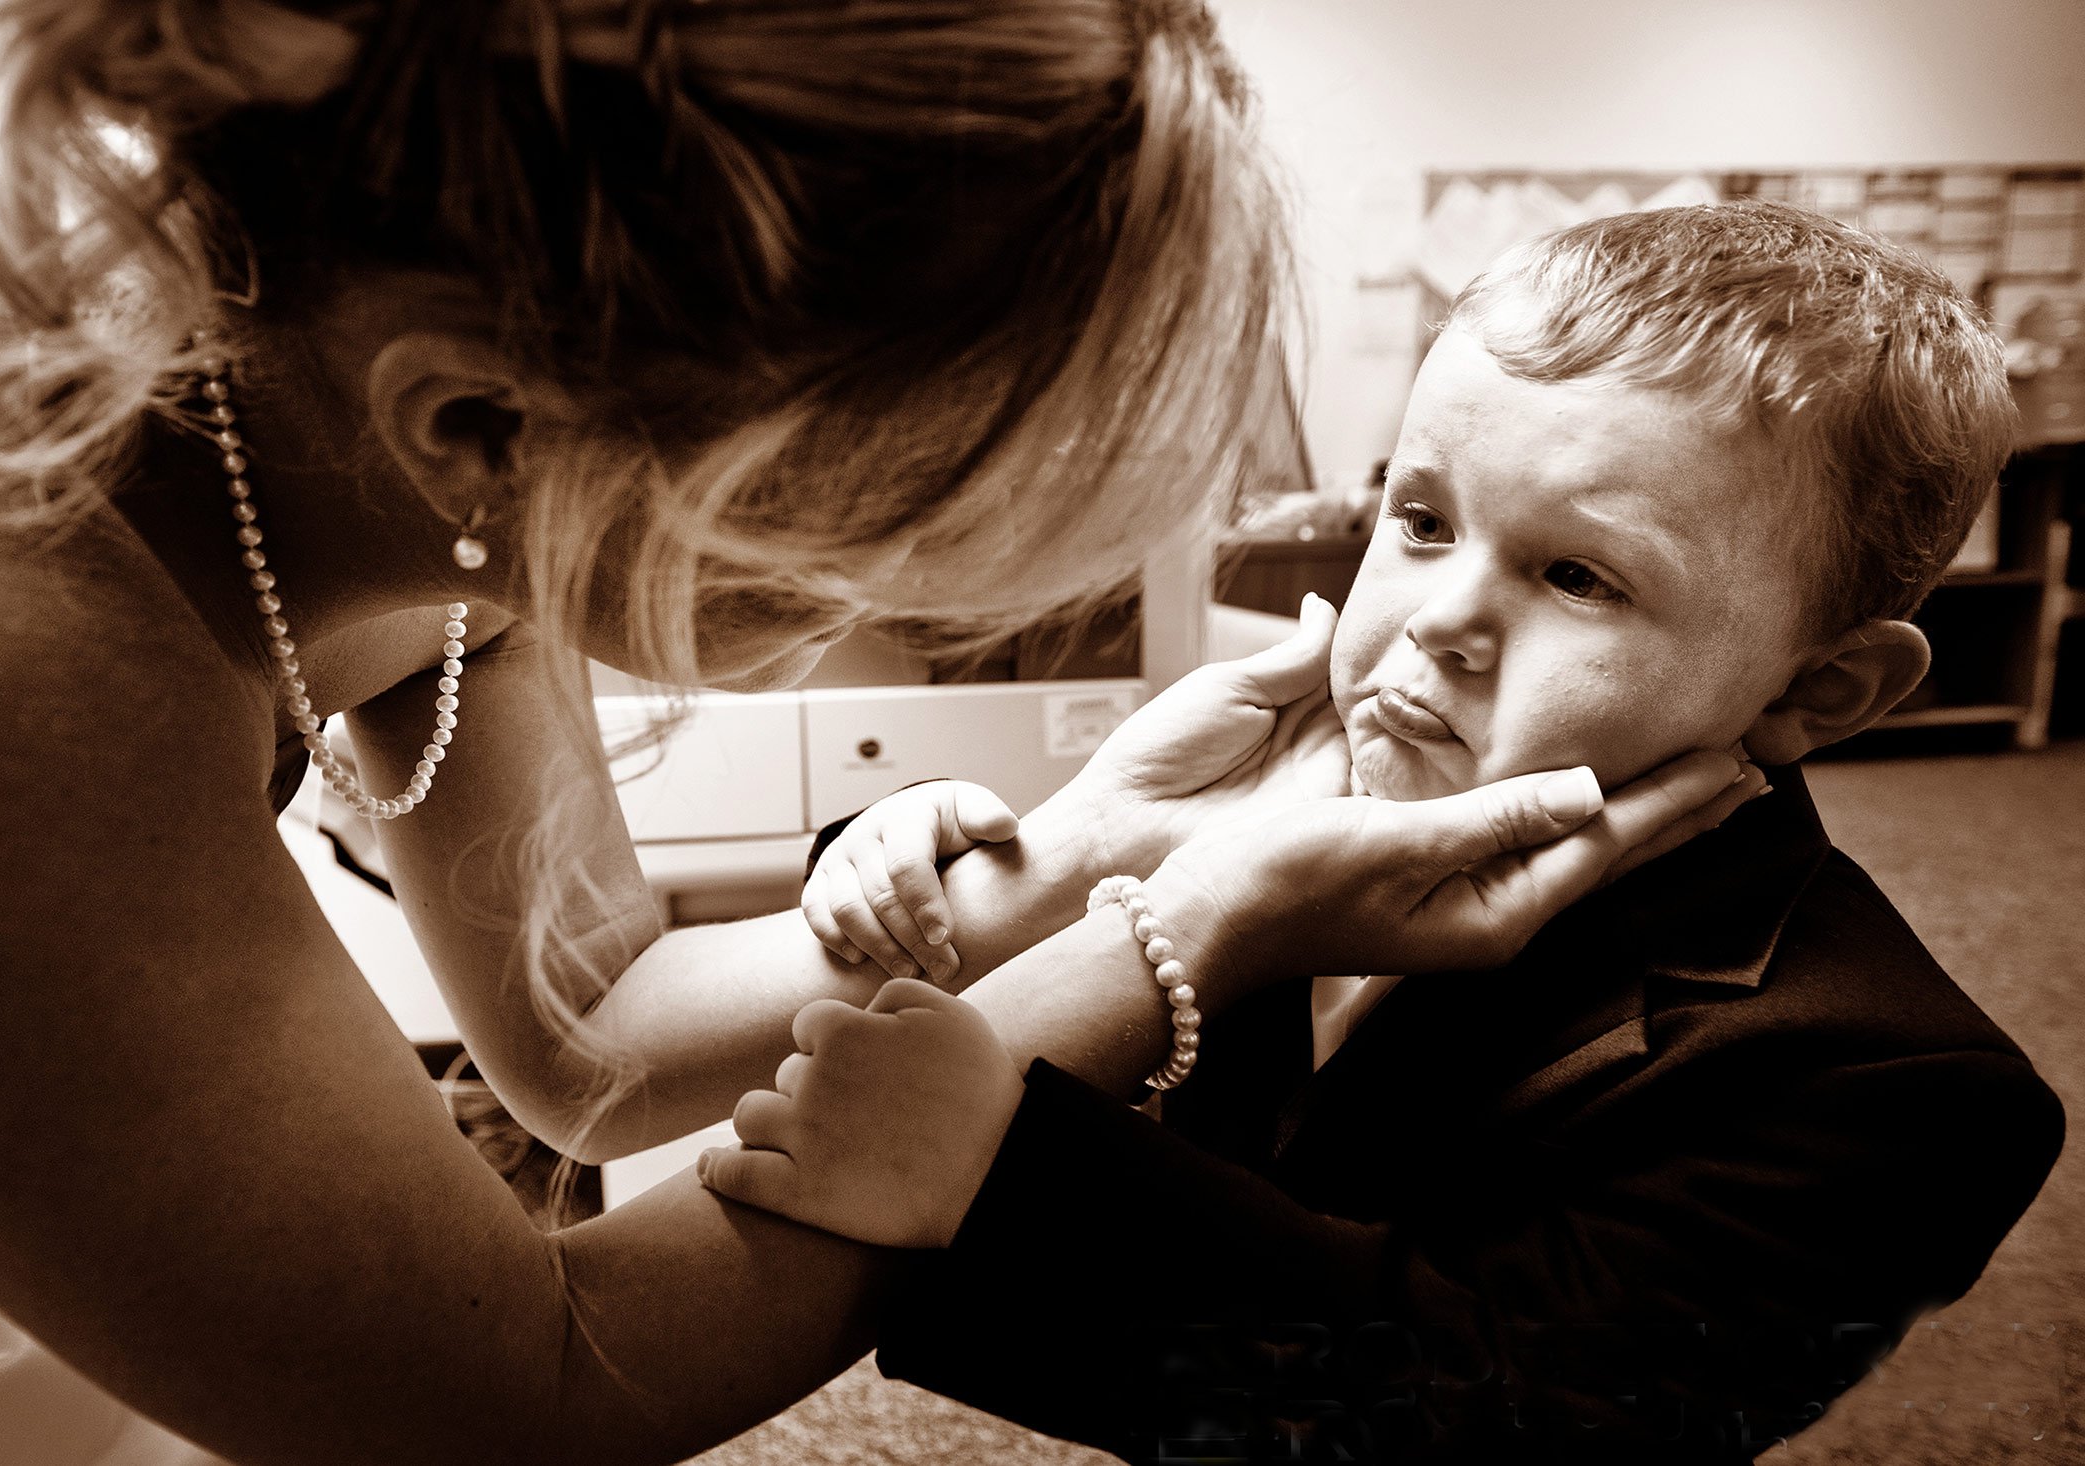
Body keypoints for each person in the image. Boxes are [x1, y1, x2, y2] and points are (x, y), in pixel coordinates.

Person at [0, 2, 1758, 1462]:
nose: (898, 616)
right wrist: (1197, 931)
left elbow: (586, 1041)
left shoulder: (397, 435)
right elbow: (510, 1383)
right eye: (882, 538)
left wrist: (1096, 837)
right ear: (477, 429)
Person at [706, 202, 2070, 1462]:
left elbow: (1494, 1411)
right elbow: (1049, 908)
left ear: (1815, 689)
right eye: (1421, 521)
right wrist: (955, 863)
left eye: (1578, 575)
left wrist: (1007, 1175)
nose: (1435, 619)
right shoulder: (1302, 771)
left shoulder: (1884, 1080)